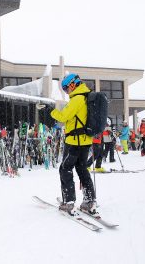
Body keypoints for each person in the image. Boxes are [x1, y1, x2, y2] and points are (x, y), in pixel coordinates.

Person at [51, 73, 97, 215]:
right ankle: (89, 201)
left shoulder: (77, 99)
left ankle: (69, 202)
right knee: (82, 169)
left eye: (66, 88)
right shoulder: (86, 97)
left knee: (65, 169)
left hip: (74, 142)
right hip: (85, 142)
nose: (66, 91)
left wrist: (51, 111)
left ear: (73, 84)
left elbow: (64, 116)